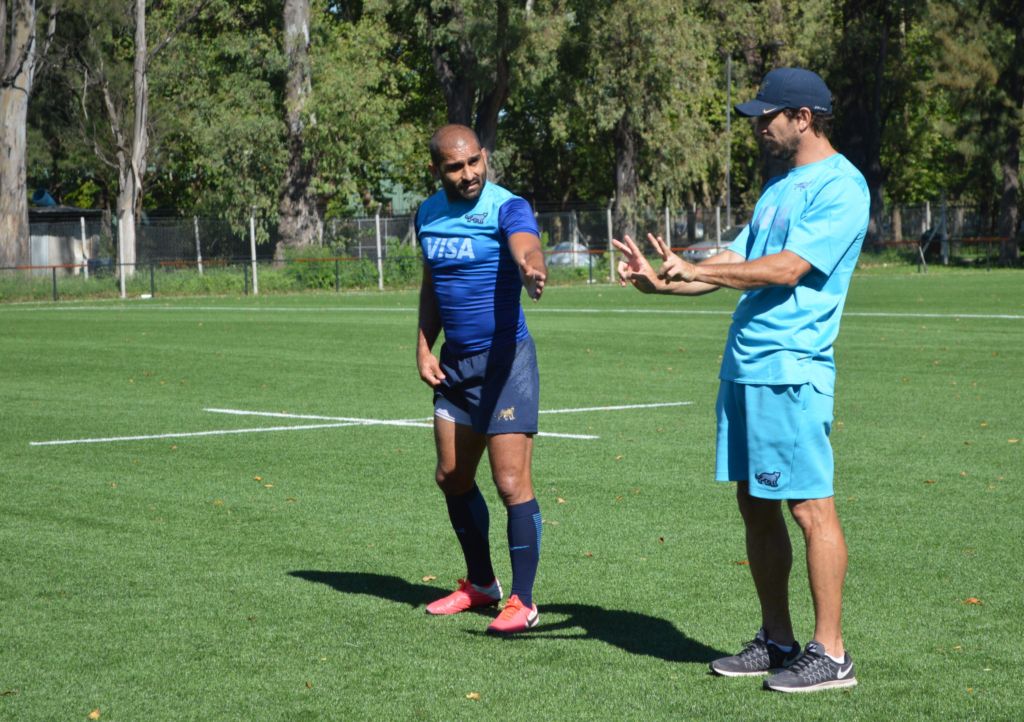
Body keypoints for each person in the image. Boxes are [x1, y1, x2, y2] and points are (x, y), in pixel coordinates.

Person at [613, 68, 868, 693]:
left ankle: (830, 654)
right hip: (747, 365)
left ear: (803, 118)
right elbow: (733, 262)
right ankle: (777, 640)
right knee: (755, 504)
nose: (759, 125)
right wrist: (667, 278)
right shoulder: (779, 187)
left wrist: (703, 271)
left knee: (810, 507)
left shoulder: (843, 186)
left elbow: (784, 269)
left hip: (791, 368)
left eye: (769, 116)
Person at [415, 124, 548, 635]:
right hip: (456, 365)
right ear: (437, 170)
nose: (469, 174)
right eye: (455, 167)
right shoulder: (427, 214)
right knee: (452, 476)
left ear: (484, 157)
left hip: (505, 363)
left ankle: (524, 600)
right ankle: (481, 584)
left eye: (474, 162)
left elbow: (525, 245)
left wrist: (532, 268)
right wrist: (425, 344)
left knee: (510, 482)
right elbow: (433, 284)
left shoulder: (506, 205)